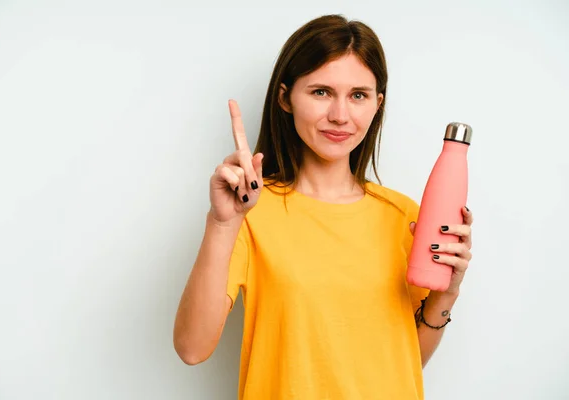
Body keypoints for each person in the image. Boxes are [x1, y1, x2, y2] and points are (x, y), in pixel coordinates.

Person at [173, 13, 473, 400]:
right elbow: (192, 349)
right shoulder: (249, 211)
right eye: (320, 92)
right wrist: (221, 223)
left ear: (377, 104)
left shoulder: (406, 217)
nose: (340, 115)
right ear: (285, 97)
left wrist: (446, 295)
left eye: (358, 95)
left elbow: (401, 362)